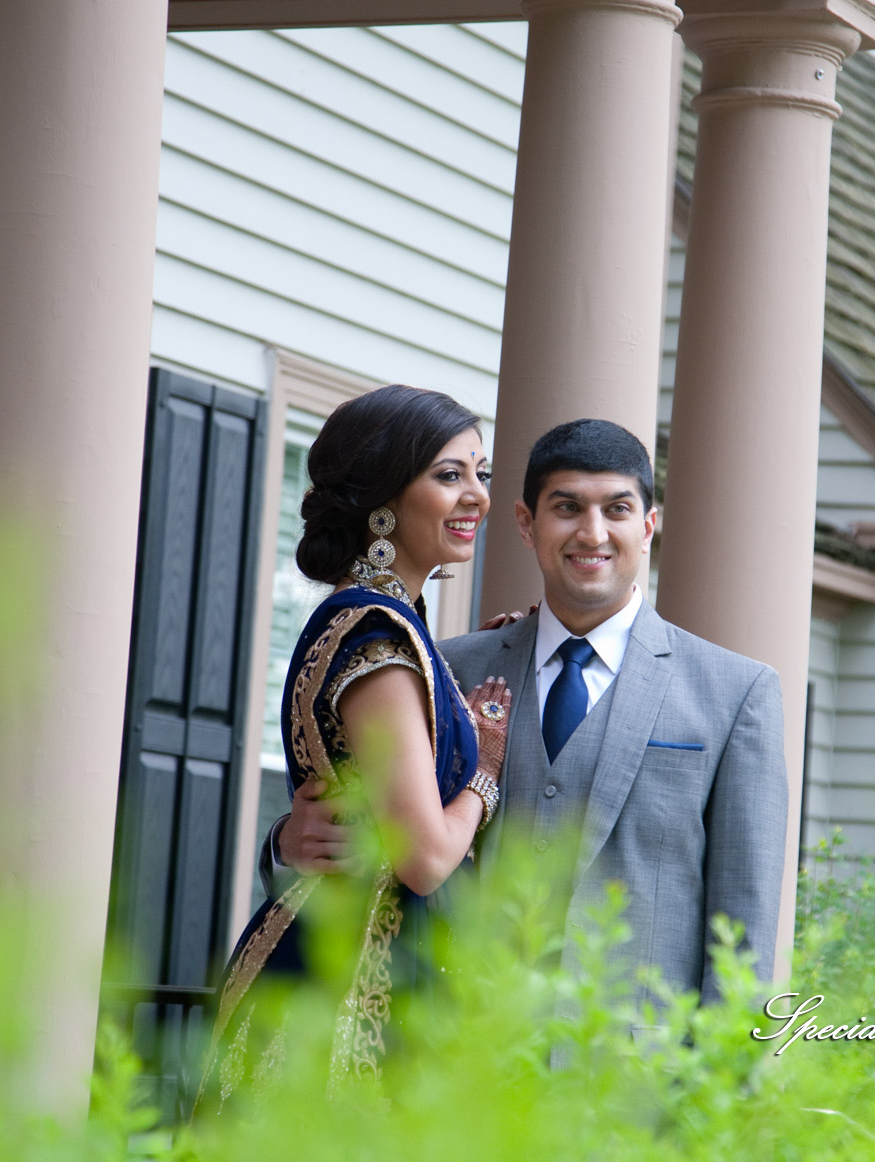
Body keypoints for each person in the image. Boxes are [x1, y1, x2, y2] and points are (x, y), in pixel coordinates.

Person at [276, 419, 789, 1007]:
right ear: (526, 523)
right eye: (567, 508)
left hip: (635, 1058)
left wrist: (729, 1061)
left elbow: (744, 926)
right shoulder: (446, 670)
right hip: (457, 1048)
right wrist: (287, 843)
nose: (592, 532)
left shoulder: (736, 693)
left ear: (647, 526)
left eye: (617, 509)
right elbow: (383, 831)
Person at [193, 385, 511, 1115]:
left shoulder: (386, 628)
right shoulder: (378, 638)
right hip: (355, 978)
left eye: (481, 473)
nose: (477, 496)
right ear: (383, 500)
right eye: (449, 475)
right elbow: (424, 858)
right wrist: (486, 771)